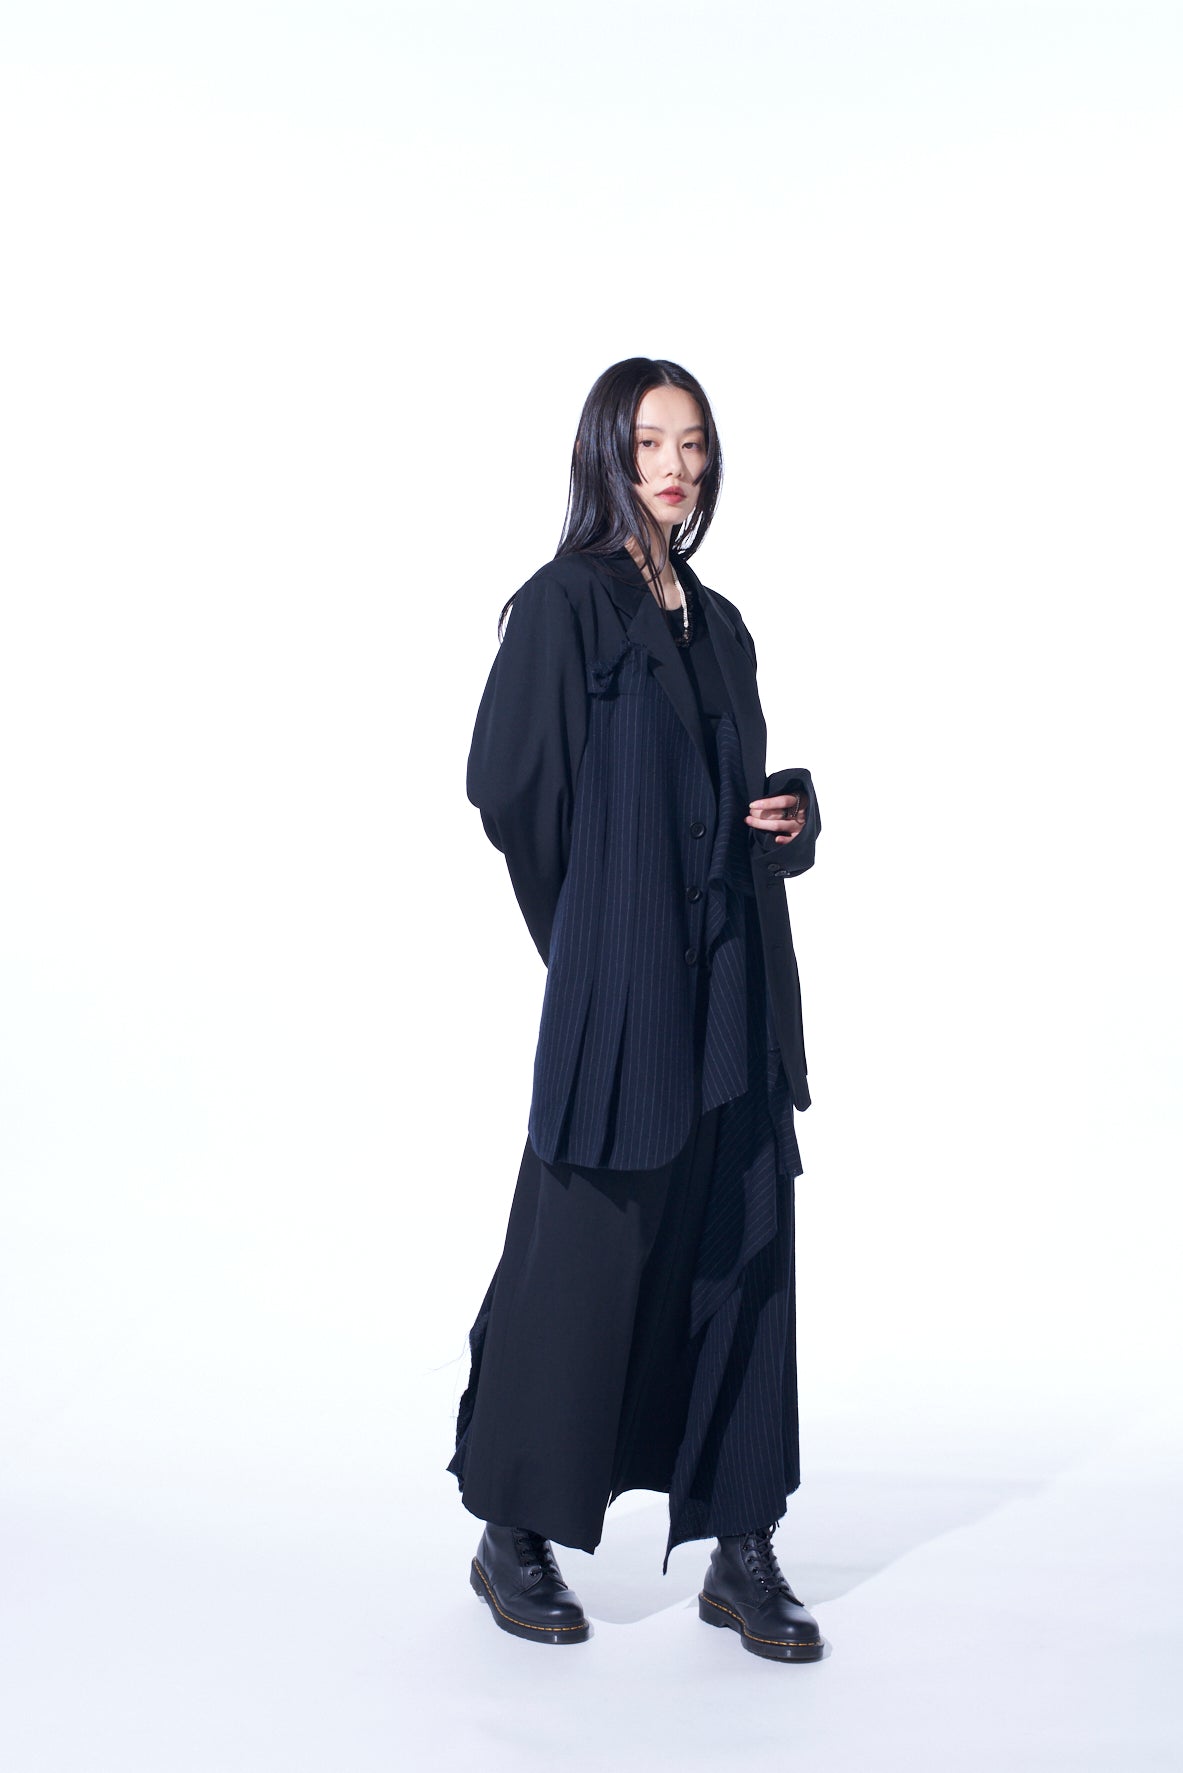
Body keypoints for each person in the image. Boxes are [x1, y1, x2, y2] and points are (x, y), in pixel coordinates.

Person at [447, 357, 826, 1664]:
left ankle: (742, 1542)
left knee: (742, 1249)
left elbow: (725, 793)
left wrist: (788, 818)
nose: (676, 466)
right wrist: (595, 936)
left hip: (735, 983)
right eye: (652, 441)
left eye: (694, 445)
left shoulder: (720, 624)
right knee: (581, 1258)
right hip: (625, 993)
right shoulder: (564, 607)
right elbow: (509, 789)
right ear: (605, 452)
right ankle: (512, 1528)